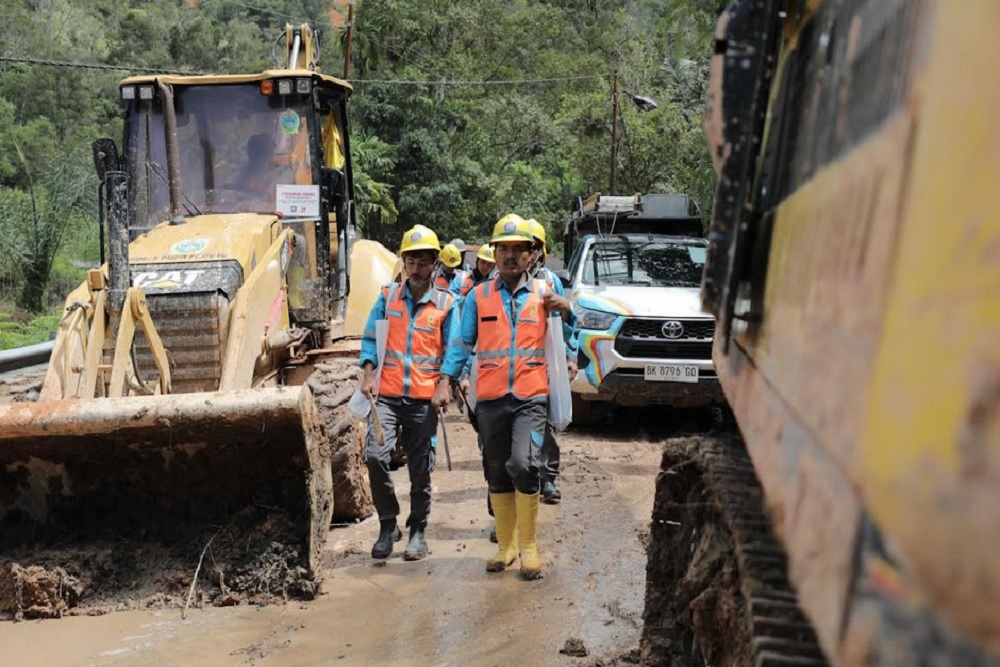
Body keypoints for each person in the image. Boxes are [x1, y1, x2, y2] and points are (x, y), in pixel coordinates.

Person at [439, 214, 574, 580]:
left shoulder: (545, 295)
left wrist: (568, 312)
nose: (510, 256)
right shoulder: (477, 296)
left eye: (518, 249)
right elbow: (462, 344)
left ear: (532, 255)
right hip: (491, 397)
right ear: (494, 253)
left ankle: (529, 547)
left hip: (531, 396)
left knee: (524, 464)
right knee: (497, 470)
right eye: (504, 249)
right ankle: (506, 547)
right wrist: (445, 380)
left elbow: (569, 333)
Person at [359, 225, 458, 561]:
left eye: (423, 262)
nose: (416, 269)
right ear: (403, 262)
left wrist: (445, 385)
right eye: (411, 262)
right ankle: (388, 525)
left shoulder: (447, 304)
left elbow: (454, 350)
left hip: (423, 398)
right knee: (374, 455)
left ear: (435, 264)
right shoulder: (387, 297)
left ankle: (418, 530)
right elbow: (371, 338)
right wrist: (368, 373)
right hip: (385, 394)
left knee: (420, 468)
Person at [525, 218, 578, 505]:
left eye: (532, 247)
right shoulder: (500, 283)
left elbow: (566, 325)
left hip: (544, 366)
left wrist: (570, 357)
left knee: (545, 425)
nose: (527, 253)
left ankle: (548, 478)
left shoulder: (549, 282)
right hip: (513, 370)